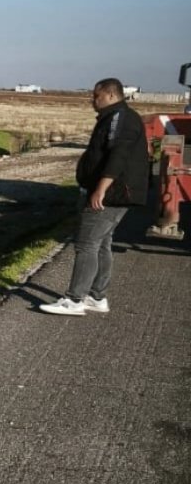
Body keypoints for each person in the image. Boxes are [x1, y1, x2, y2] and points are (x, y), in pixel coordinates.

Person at [40, 77, 149, 316]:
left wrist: (101, 188)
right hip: (112, 192)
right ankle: (97, 296)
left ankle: (75, 299)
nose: (92, 100)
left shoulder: (121, 118)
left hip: (111, 194)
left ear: (111, 95)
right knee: (102, 243)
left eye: (96, 96)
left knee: (86, 243)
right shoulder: (114, 117)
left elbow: (118, 155)